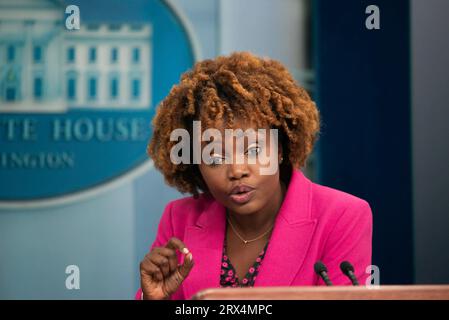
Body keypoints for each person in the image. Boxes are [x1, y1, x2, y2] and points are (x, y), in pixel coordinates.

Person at [136, 52, 372, 300]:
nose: (237, 170)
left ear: (279, 150)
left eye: (254, 150)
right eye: (216, 158)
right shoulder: (179, 219)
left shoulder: (342, 216)